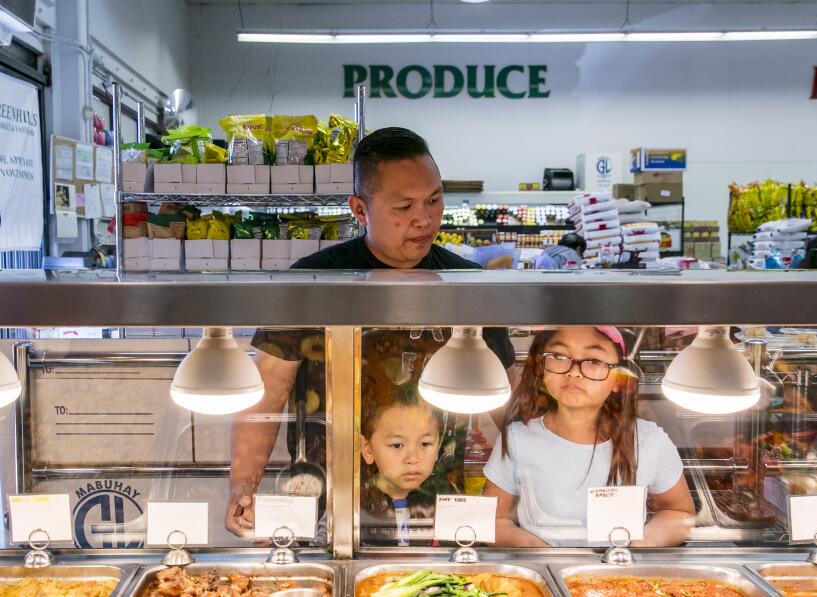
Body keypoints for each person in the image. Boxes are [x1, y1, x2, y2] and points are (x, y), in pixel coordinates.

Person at [227, 127, 515, 535]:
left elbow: (507, 397)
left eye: (434, 200)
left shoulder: (466, 284)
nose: (425, 219)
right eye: (404, 206)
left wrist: (538, 471)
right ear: (359, 210)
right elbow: (267, 390)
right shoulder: (314, 281)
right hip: (326, 501)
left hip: (435, 505)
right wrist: (244, 485)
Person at [483, 326, 694, 548]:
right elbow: (494, 521)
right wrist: (546, 556)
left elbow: (678, 511)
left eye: (593, 360)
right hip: (543, 574)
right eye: (559, 356)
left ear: (618, 380)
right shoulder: (518, 439)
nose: (573, 372)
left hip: (623, 577)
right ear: (541, 368)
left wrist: (633, 550)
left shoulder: (650, 440)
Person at [359, 389, 449, 546]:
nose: (413, 458)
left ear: (438, 447)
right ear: (367, 450)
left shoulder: (448, 497)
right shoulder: (354, 501)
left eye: (425, 444)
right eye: (397, 445)